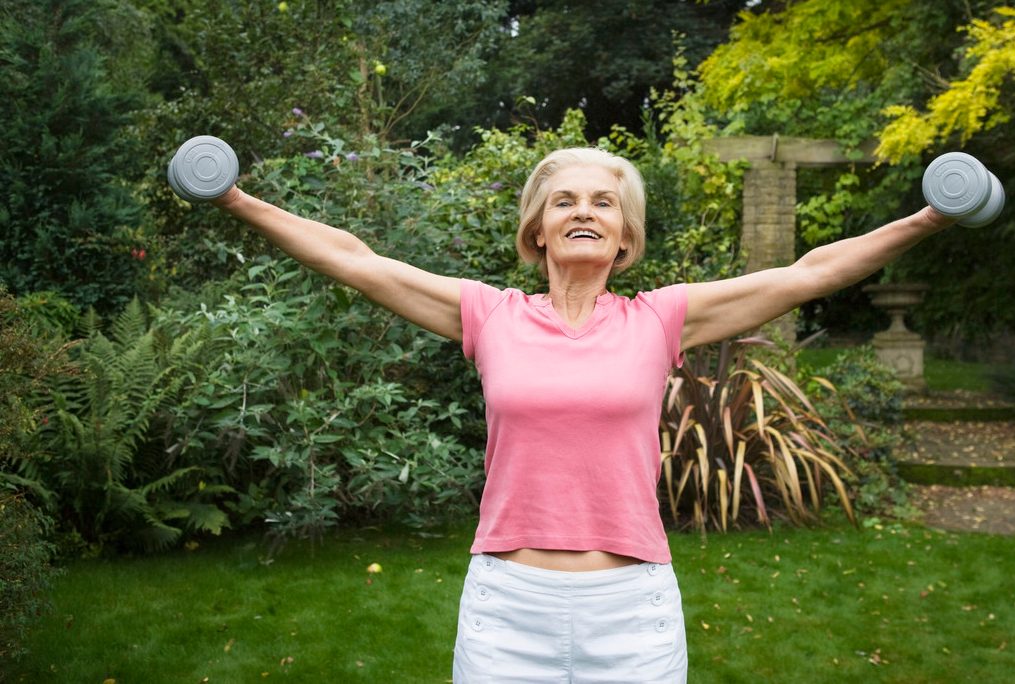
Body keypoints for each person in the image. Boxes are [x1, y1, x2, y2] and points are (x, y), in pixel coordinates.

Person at [212, 146, 955, 682]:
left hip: (630, 608)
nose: (583, 212)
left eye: (603, 203)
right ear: (537, 230)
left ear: (625, 238)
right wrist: (235, 200)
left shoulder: (660, 319)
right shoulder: (488, 314)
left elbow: (809, 273)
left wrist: (926, 217)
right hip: (508, 606)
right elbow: (355, 261)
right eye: (564, 201)